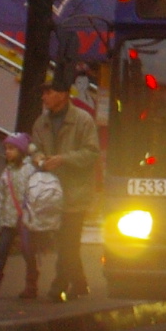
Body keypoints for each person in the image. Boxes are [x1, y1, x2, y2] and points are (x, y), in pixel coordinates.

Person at [30, 81, 99, 303]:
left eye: (48, 92)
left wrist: (63, 160)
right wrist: (40, 159)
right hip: (51, 192)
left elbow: (91, 153)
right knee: (65, 241)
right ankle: (80, 283)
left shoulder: (82, 120)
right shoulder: (41, 122)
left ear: (62, 94)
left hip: (75, 192)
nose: (44, 97)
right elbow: (35, 149)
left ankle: (58, 285)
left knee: (69, 241)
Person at [0, 134, 60, 299]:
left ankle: (31, 285)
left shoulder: (31, 169)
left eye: (12, 149)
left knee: (27, 251)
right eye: (6, 149)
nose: (8, 152)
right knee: (2, 249)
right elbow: (0, 198)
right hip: (9, 220)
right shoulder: (7, 172)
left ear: (22, 151)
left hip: (27, 220)